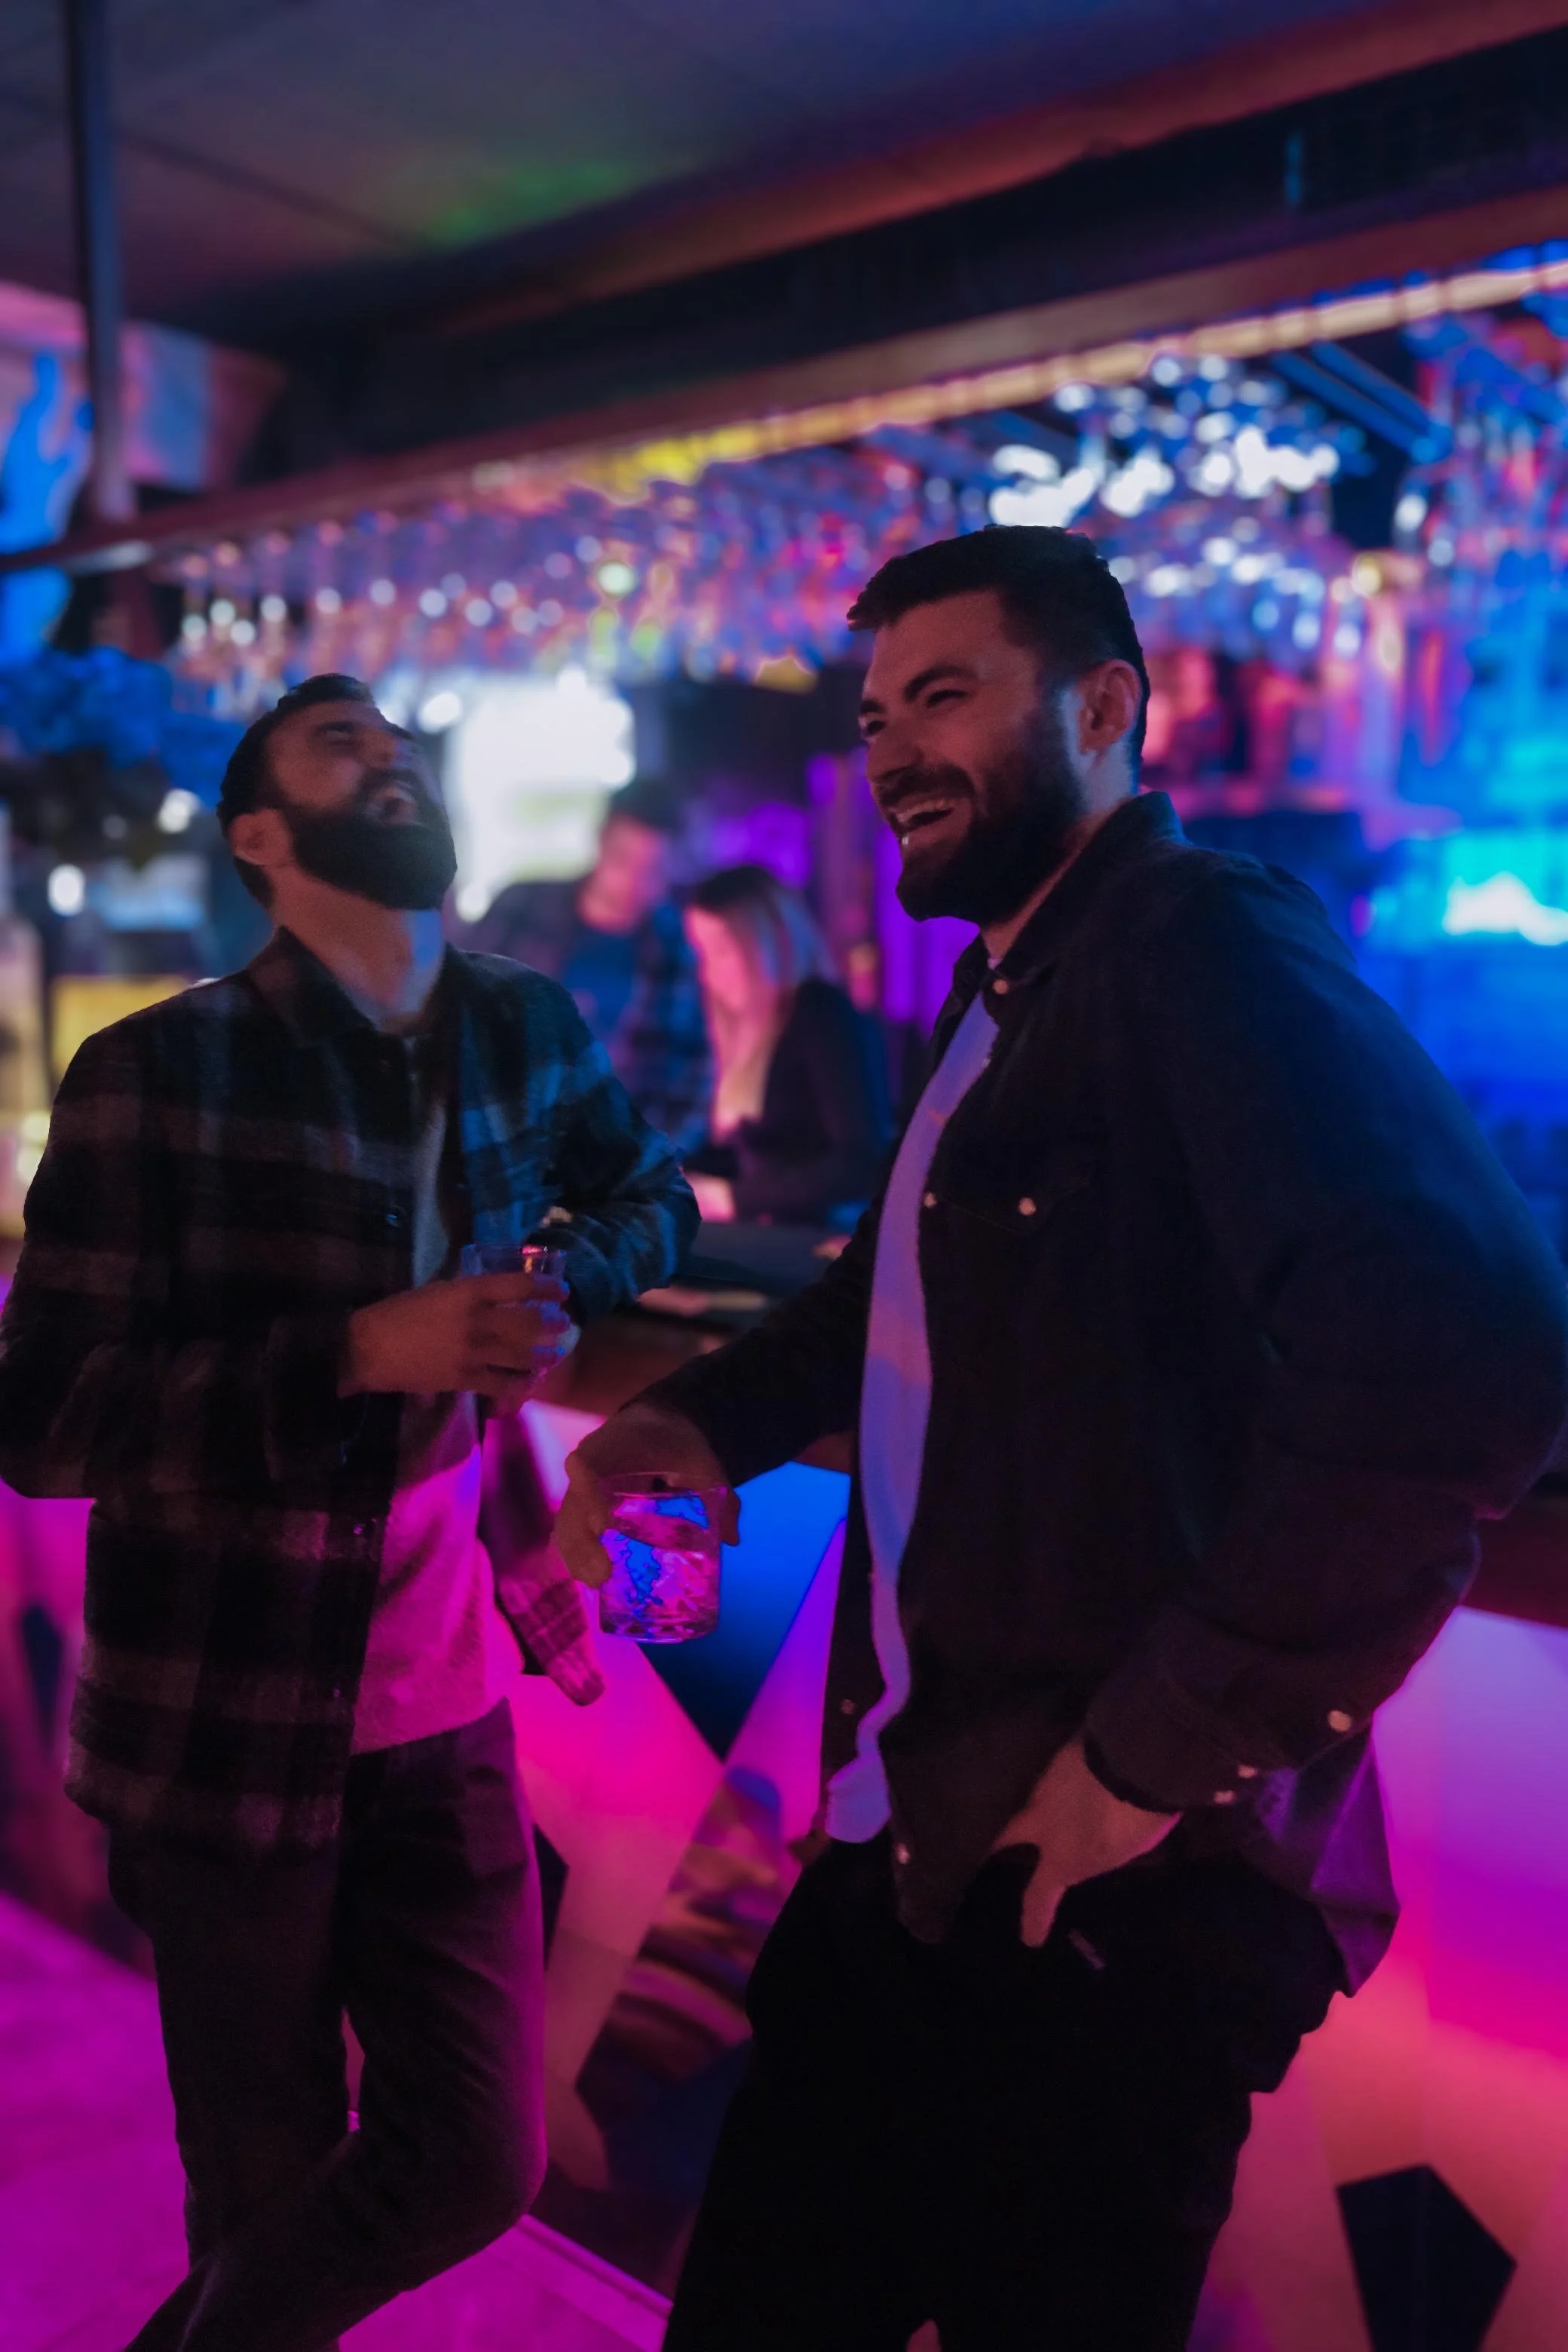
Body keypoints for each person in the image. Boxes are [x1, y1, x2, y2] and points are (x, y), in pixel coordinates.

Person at [554, 530, 1568, 2350]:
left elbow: (1469, 1341)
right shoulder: (1006, 978)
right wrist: (687, 1419)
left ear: (1103, 707)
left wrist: (1148, 1756)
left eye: (945, 695)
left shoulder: (1196, 939)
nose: (891, 754)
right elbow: (886, 1302)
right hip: (915, 1842)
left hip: (1108, 1896)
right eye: (875, 717)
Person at [0, 673, 697, 2352]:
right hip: (221, 1720)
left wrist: (559, 1275)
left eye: (394, 740)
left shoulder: (524, 1026)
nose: (385, 755)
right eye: (337, 746)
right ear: (262, 836)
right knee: (262, 2176)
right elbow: (44, 1422)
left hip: (445, 1705)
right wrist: (350, 1355)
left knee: (478, 2151)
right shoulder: (153, 1074)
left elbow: (648, 1193)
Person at [467, 776, 711, 1154]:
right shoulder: (522, 909)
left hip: (613, 1159)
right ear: (600, 840)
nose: (634, 882)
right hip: (506, 1141)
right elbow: (458, 1011)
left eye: (654, 869)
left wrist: (656, 1161)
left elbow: (694, 1077)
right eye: (623, 860)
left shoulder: (679, 951)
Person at [682, 863, 890, 1227]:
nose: (707, 972)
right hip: (773, 1234)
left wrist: (733, 1197)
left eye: (722, 951)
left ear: (768, 945)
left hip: (822, 1242)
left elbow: (860, 1162)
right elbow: (753, 1152)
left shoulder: (821, 1012)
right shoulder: (752, 1027)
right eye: (702, 953)